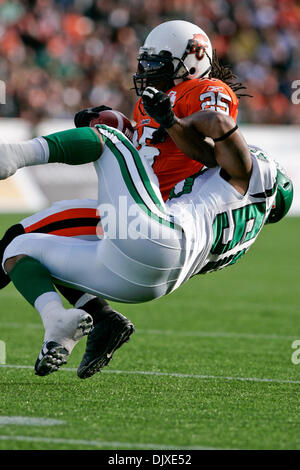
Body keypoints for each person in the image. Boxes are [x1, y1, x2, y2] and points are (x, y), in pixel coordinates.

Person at [0, 20, 250, 377]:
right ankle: (97, 320)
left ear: (192, 59)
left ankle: (14, 154)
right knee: (17, 242)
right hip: (131, 207)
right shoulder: (150, 102)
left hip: (164, 214)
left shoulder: (209, 90)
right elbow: (145, 145)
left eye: (159, 62)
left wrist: (162, 123)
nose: (148, 70)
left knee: (105, 140)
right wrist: (117, 119)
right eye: (146, 62)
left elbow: (212, 155)